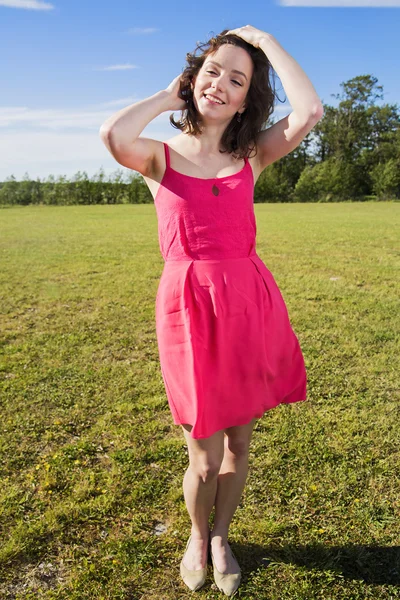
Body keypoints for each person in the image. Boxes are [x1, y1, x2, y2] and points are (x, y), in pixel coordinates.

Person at [99, 24, 323, 596]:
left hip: (248, 305)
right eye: (212, 71)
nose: (220, 84)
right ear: (193, 79)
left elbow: (310, 111)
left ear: (248, 98)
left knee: (240, 446)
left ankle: (222, 536)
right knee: (204, 455)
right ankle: (196, 536)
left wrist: (267, 44)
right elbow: (112, 134)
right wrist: (165, 96)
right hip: (188, 312)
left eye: (237, 79)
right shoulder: (160, 157)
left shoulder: (251, 156)